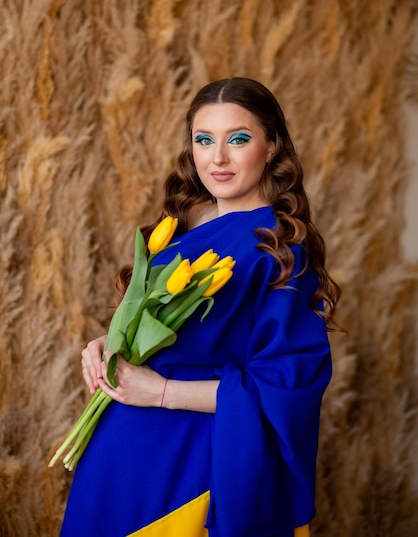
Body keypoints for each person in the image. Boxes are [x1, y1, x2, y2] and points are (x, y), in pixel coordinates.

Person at [60, 77, 341, 537]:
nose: (218, 158)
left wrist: (161, 392)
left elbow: (285, 386)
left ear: (271, 146)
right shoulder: (178, 229)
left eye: (239, 139)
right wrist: (107, 346)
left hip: (194, 460)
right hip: (118, 452)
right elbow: (167, 335)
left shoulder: (280, 249)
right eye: (204, 140)